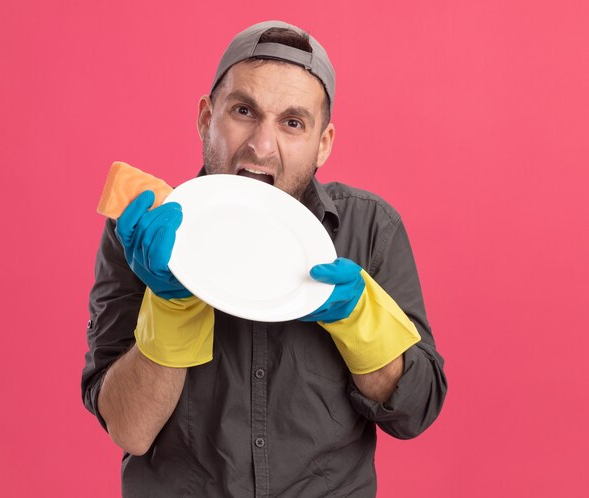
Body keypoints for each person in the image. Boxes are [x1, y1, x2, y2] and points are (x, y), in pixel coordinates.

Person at [82, 20, 447, 498]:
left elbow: (416, 412)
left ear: (324, 144)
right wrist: (170, 304)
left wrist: (361, 321)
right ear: (205, 117)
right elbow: (129, 429)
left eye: (292, 123)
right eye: (243, 111)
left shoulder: (372, 230)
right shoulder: (144, 232)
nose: (261, 144)